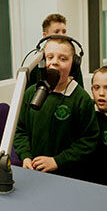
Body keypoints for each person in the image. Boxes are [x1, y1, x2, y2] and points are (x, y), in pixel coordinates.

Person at [14, 37, 99, 181]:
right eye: (50, 57)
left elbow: (88, 141)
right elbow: (20, 130)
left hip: (67, 175)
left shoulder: (81, 99)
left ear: (74, 64)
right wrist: (26, 156)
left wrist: (57, 161)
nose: (54, 62)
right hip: (34, 172)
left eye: (63, 59)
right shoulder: (30, 93)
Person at [28, 13, 84, 88]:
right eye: (57, 31)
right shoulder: (36, 60)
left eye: (64, 31)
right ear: (45, 36)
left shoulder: (72, 60)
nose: (62, 35)